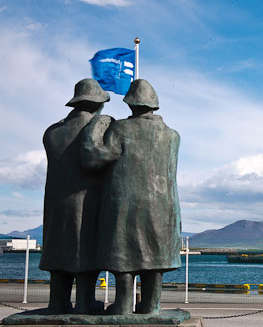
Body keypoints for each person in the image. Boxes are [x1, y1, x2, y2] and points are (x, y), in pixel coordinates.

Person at [81, 79, 182, 315]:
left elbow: (96, 159)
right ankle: (151, 306)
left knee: (124, 255)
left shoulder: (122, 129)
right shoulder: (173, 136)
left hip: (125, 203)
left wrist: (96, 126)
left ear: (131, 104)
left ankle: (124, 306)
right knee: (155, 259)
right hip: (163, 208)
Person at [39, 78, 111, 314]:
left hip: (56, 204)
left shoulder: (52, 132)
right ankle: (84, 303)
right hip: (88, 200)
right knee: (85, 252)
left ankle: (57, 303)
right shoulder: (102, 128)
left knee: (58, 252)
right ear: (97, 104)